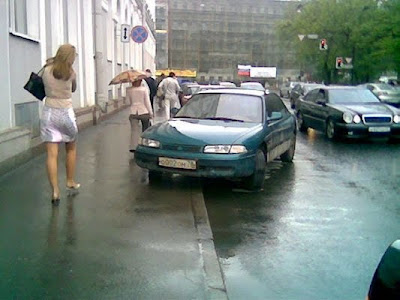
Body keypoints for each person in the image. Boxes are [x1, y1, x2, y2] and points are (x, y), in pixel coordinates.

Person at [41, 44, 80, 206]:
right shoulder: (71, 73)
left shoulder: (46, 70)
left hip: (49, 113)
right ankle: (70, 181)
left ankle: (55, 191)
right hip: (66, 113)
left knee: (51, 154)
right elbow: (73, 89)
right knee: (70, 148)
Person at [127, 78, 153, 153]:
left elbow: (127, 102)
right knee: (145, 129)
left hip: (133, 112)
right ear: (141, 81)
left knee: (134, 130)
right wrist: (151, 113)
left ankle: (133, 147)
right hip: (144, 111)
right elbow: (147, 102)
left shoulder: (128, 90)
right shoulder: (144, 89)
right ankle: (144, 145)